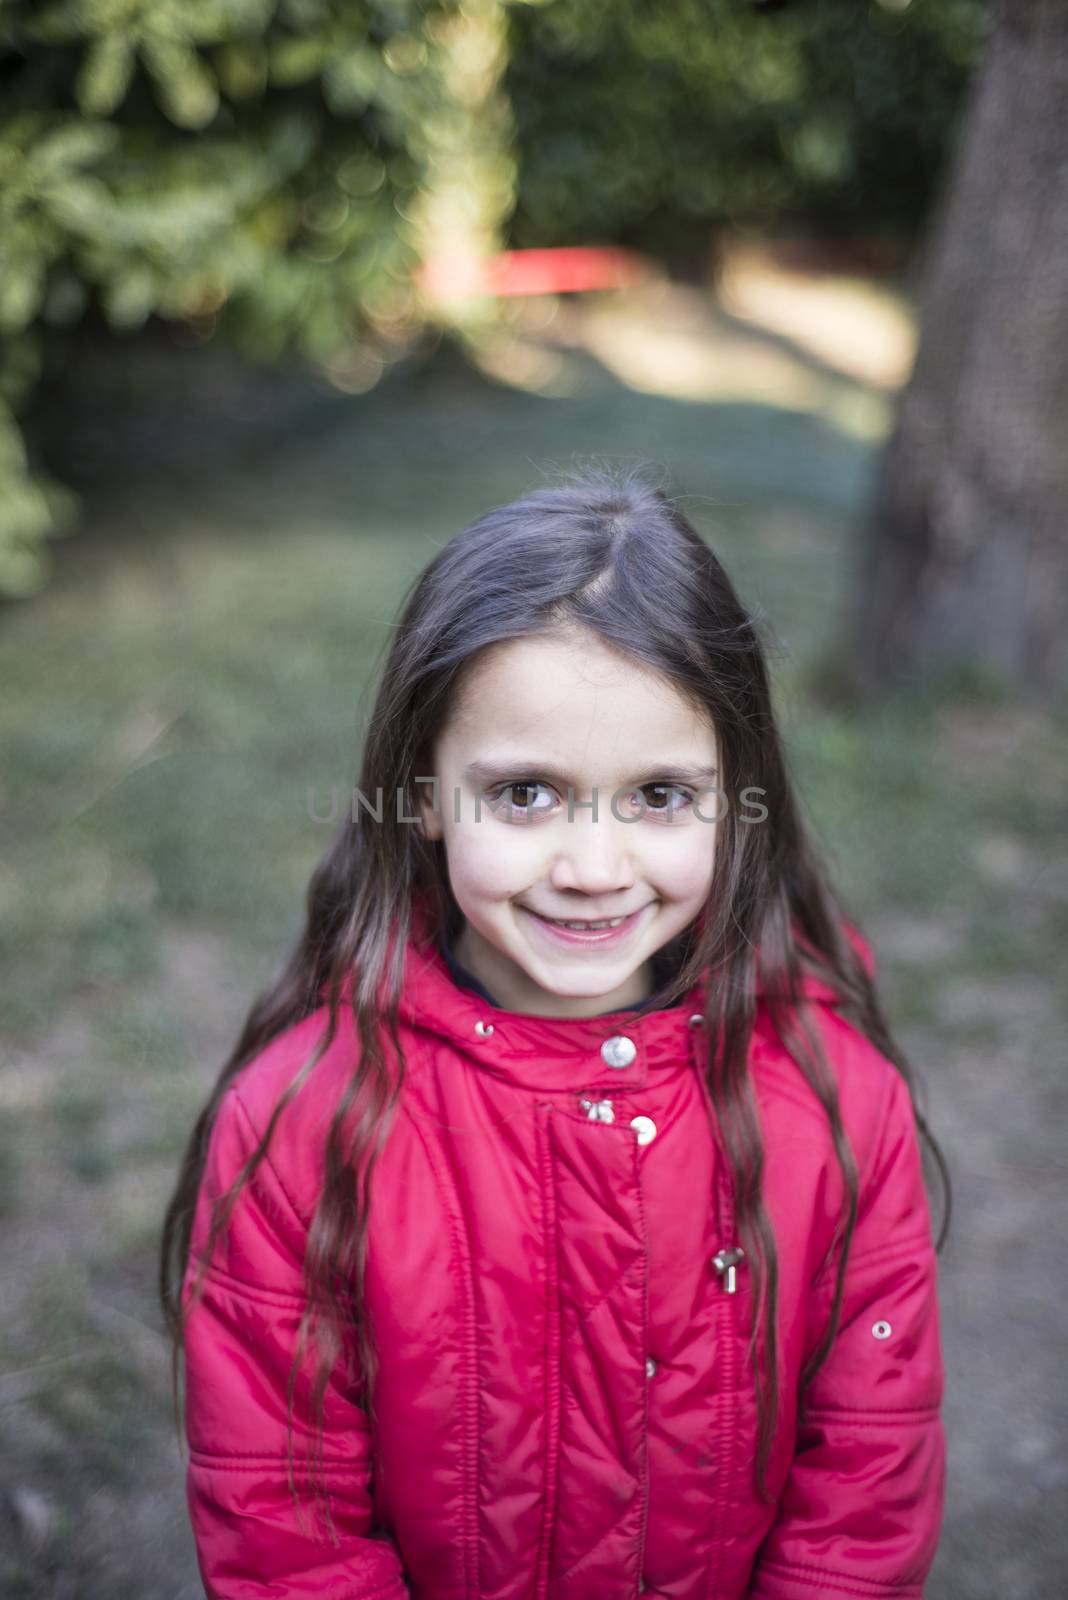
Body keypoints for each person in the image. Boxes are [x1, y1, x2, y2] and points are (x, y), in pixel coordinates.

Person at [160, 468, 950, 1600]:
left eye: (660, 796)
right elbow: (285, 1526)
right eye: (526, 793)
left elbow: (869, 1479)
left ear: (737, 792)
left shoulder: (834, 1093)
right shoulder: (307, 1122)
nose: (591, 868)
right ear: (422, 791)